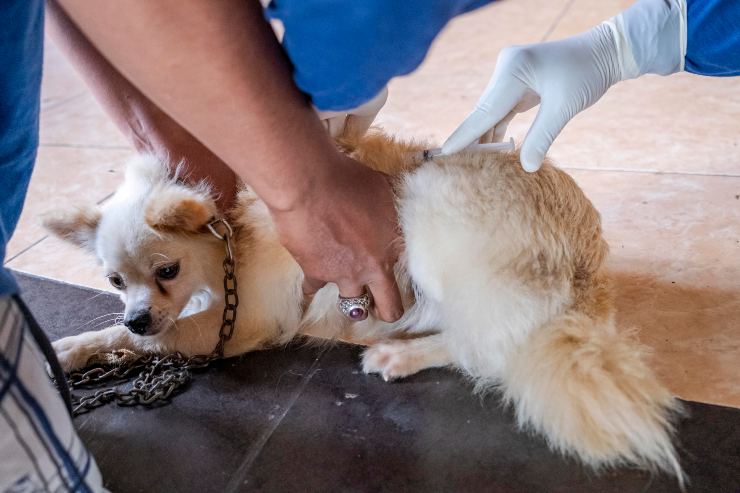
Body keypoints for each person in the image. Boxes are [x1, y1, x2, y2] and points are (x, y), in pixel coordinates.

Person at [1, 0, 737, 489]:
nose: (143, 303)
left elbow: (240, 327)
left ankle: (468, 334)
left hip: (502, 235)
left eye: (158, 276)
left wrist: (637, 37)